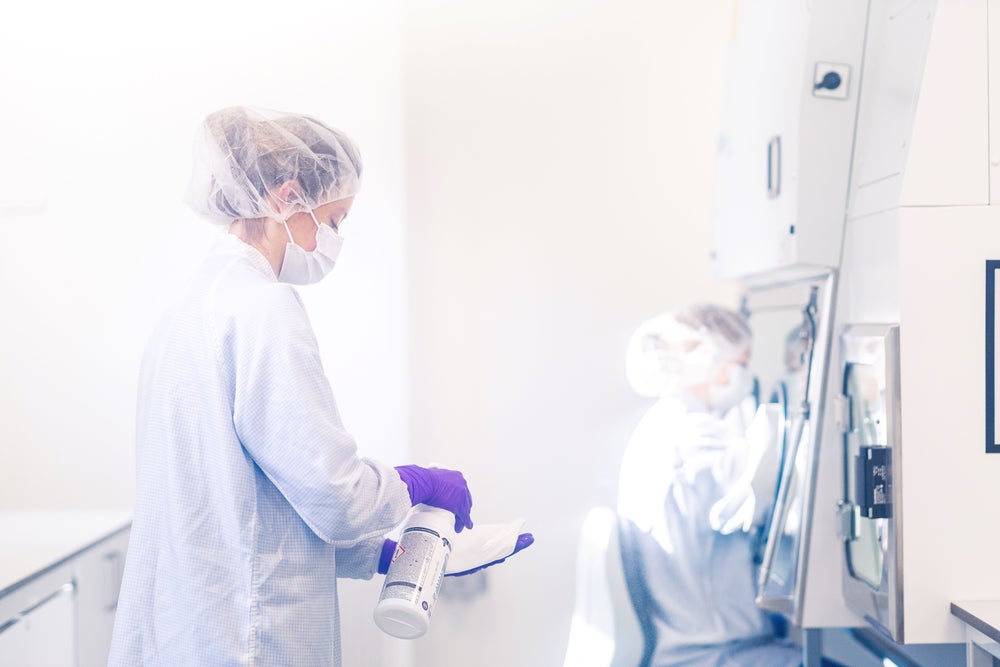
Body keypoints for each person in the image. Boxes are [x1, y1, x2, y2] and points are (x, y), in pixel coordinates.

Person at [108, 106, 530, 666]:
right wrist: (418, 483)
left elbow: (255, 507)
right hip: (247, 640)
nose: (335, 237)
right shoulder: (263, 309)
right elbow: (334, 499)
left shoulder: (189, 311)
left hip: (191, 631)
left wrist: (393, 556)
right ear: (285, 198)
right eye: (334, 220)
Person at [616, 303, 802, 667]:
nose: (745, 377)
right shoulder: (691, 437)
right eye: (742, 364)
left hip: (697, 645)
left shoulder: (664, 424)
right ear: (709, 361)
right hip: (716, 655)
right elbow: (750, 496)